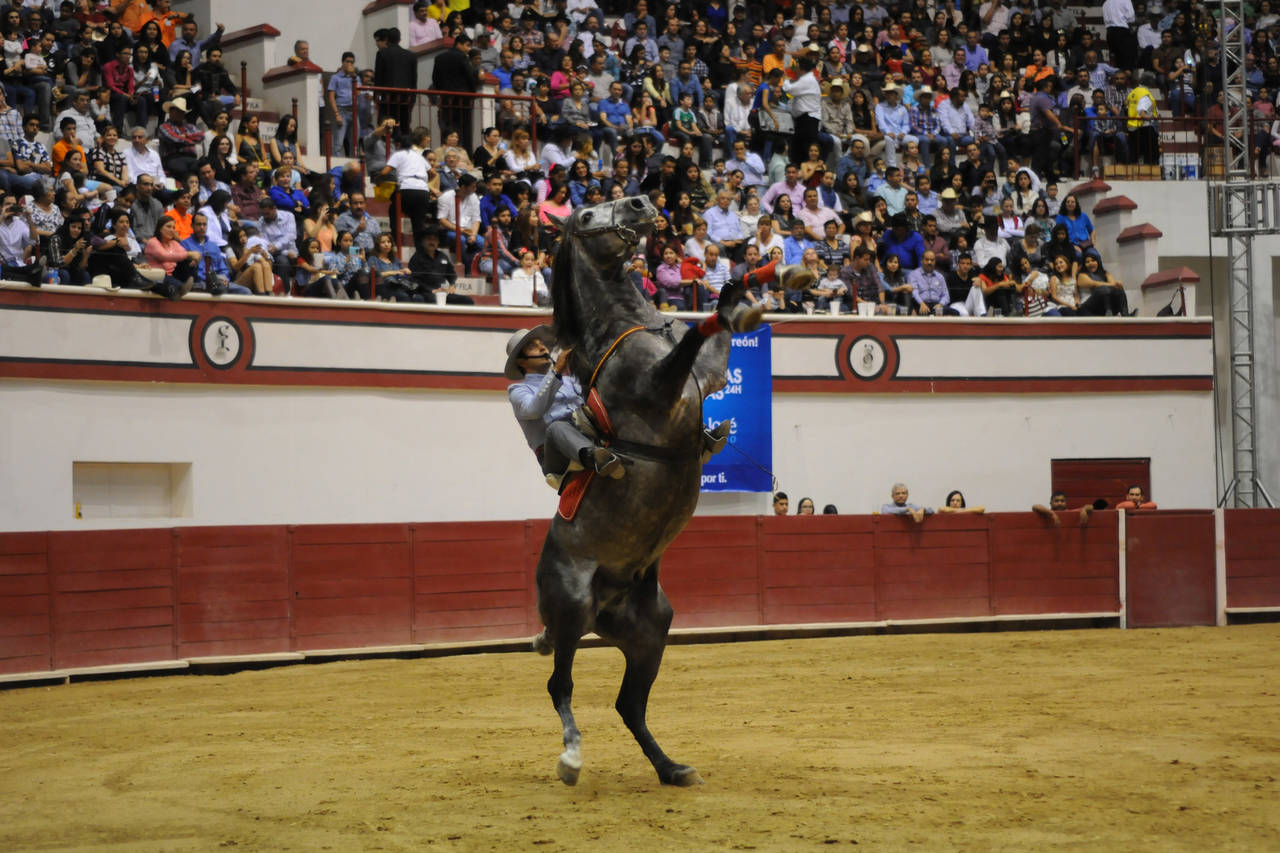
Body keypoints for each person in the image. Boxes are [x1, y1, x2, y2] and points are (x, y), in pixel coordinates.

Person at [506, 325, 623, 488]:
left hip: (588, 436)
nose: (541, 348)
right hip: (554, 456)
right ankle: (595, 457)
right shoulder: (517, 390)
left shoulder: (569, 379)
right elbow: (534, 409)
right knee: (556, 428)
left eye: (541, 344)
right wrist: (555, 371)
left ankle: (607, 453)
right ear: (520, 361)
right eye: (533, 347)